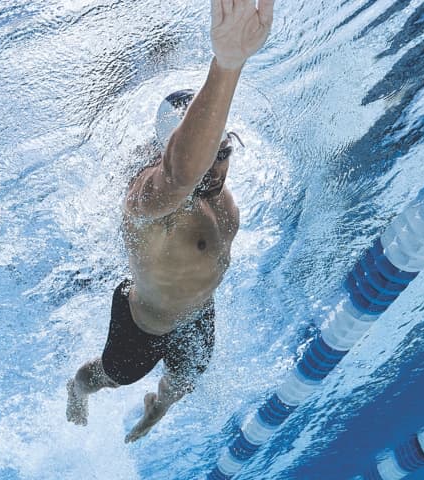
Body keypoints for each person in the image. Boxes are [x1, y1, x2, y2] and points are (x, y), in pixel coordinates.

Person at [67, 0, 275, 443]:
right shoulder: (148, 202)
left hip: (198, 313)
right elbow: (181, 174)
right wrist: (228, 64)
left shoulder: (222, 201)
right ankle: (77, 387)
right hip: (145, 324)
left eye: (224, 153)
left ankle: (153, 410)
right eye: (206, 158)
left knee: (185, 381)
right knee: (111, 376)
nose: (216, 169)